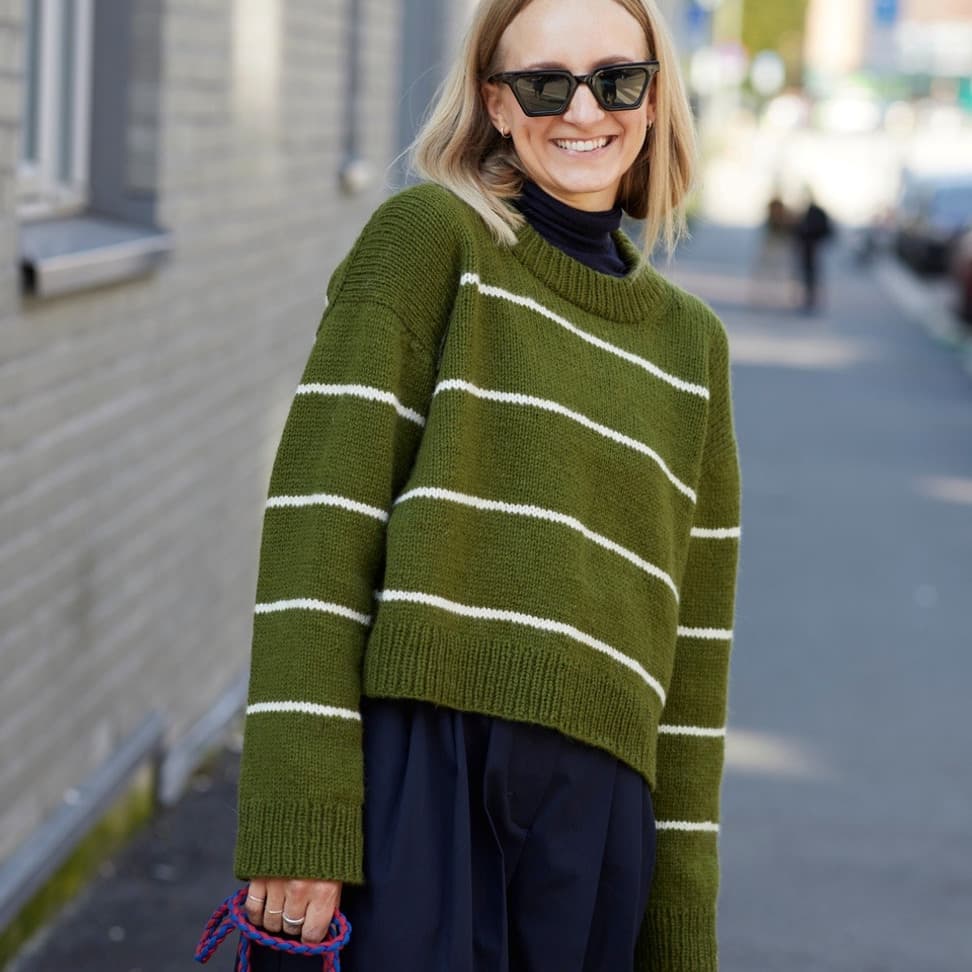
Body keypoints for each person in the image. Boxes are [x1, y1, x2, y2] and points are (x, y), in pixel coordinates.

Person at [231, 0, 742, 969]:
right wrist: (298, 818)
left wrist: (683, 929)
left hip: (597, 836)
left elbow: (694, 663)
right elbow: (316, 535)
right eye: (545, 84)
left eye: (616, 79)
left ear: (653, 98)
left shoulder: (693, 352)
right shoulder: (429, 243)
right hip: (421, 784)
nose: (583, 110)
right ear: (496, 104)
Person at [792, 193, 834, 312]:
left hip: (812, 246)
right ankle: (808, 299)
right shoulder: (804, 212)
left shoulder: (814, 213)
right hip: (807, 246)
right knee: (807, 273)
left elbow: (824, 229)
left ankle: (811, 299)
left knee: (810, 273)